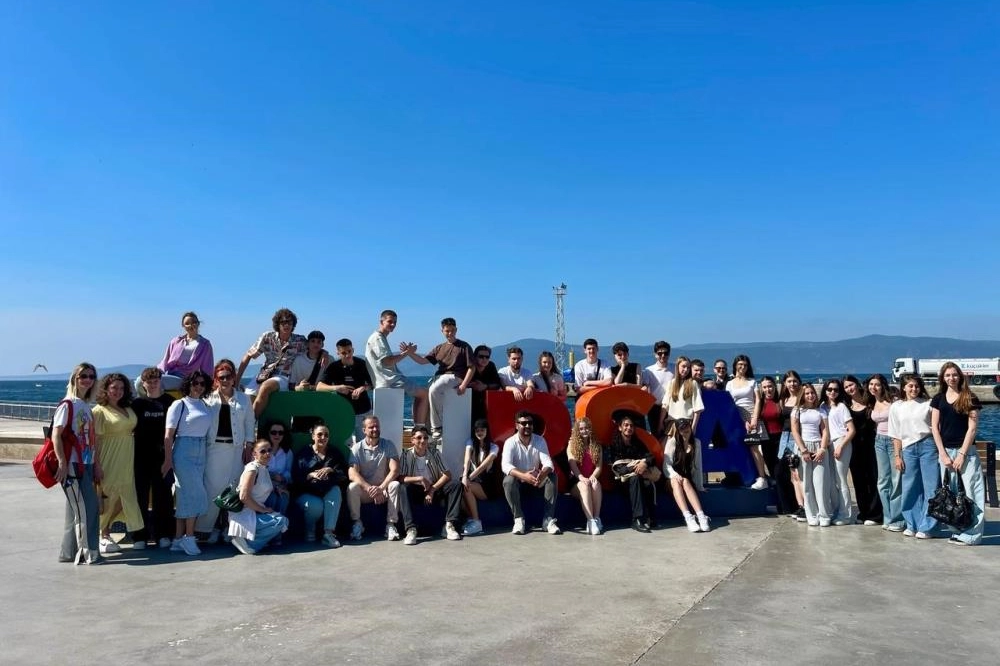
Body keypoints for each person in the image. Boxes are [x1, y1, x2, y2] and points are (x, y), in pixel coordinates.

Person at [197, 360, 256, 543]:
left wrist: (249, 446)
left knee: (234, 489)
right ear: (216, 379)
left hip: (236, 449)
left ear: (234, 378)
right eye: (221, 377)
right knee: (213, 489)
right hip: (215, 448)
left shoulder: (243, 399)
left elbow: (249, 423)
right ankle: (204, 529)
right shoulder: (207, 399)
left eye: (228, 376)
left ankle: (230, 528)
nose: (225, 380)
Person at [930, 362, 985, 545]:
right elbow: (935, 428)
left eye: (954, 374)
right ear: (943, 378)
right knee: (950, 494)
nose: (951, 378)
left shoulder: (970, 398)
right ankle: (956, 530)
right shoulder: (938, 399)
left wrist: (962, 454)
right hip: (945, 453)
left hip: (966, 453)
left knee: (972, 492)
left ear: (960, 376)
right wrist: (943, 454)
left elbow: (972, 428)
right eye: (947, 375)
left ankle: (973, 535)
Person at [53, 363, 100, 564]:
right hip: (73, 464)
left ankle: (68, 552)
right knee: (87, 509)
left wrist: (96, 464)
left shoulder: (85, 405)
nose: (87, 380)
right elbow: (56, 435)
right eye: (83, 376)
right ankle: (88, 554)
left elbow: (91, 439)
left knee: (75, 510)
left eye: (91, 376)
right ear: (75, 379)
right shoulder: (68, 405)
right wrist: (62, 462)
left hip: (86, 463)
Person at [163, 370, 214, 556]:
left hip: (201, 450)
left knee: (185, 495)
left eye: (202, 383)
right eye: (195, 383)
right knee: (195, 494)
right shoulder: (179, 404)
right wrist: (168, 460)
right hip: (184, 449)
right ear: (188, 384)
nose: (199, 386)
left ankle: (178, 539)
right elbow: (168, 436)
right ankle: (189, 537)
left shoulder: (205, 405)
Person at [93, 373, 144, 553]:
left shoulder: (127, 407)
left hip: (126, 457)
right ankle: (103, 534)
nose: (118, 391)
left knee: (124, 498)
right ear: (106, 389)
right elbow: (94, 441)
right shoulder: (99, 411)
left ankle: (104, 530)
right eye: (114, 387)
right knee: (108, 496)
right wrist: (96, 465)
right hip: (109, 456)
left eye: (121, 388)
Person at [405, 317, 475, 441]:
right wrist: (410, 353)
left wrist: (464, 385)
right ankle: (426, 431)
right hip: (439, 377)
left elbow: (471, 368)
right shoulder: (439, 348)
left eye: (452, 330)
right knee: (425, 395)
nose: (450, 333)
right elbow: (422, 361)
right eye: (447, 331)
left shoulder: (464, 346)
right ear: (442, 331)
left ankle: (437, 427)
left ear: (456, 330)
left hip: (455, 376)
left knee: (434, 390)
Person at [235, 308, 311, 417]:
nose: (286, 325)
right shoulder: (267, 337)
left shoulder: (300, 341)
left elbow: (314, 349)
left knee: (265, 387)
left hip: (284, 376)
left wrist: (324, 354)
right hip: (264, 374)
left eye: (289, 322)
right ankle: (251, 422)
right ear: (278, 324)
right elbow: (248, 355)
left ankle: (251, 423)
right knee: (247, 396)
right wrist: (236, 381)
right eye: (283, 322)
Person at [131, 367, 176, 548]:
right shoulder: (137, 404)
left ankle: (163, 534)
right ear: (143, 384)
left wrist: (169, 459)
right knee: (140, 496)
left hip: (163, 456)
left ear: (160, 381)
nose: (152, 384)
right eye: (149, 381)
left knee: (163, 496)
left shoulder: (170, 402)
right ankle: (139, 536)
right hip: (140, 457)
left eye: (155, 380)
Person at [398, 426, 464, 545]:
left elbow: (447, 474)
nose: (423, 441)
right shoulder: (406, 454)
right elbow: (401, 478)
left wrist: (432, 490)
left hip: (434, 488)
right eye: (419, 438)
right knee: (403, 487)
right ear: (412, 440)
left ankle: (449, 525)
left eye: (425, 438)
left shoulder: (435, 452)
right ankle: (411, 529)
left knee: (456, 485)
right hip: (416, 489)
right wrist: (419, 478)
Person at [889, 374, 936, 539]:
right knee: (909, 487)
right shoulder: (896, 407)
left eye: (916, 386)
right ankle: (912, 524)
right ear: (903, 387)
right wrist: (897, 456)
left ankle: (927, 526)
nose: (914, 389)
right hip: (908, 448)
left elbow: (936, 427)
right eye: (910, 386)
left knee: (930, 487)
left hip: (928, 445)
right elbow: (895, 434)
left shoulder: (928, 404)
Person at [365, 309, 430, 427]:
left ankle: (418, 427)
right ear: (381, 322)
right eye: (390, 321)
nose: (393, 324)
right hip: (391, 380)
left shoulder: (380, 338)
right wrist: (407, 353)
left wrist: (406, 352)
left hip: (386, 380)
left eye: (395, 322)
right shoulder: (378, 338)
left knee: (420, 395)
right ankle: (419, 428)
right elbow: (387, 362)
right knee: (424, 394)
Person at [501, 410, 561, 535]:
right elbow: (505, 466)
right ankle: (518, 520)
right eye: (524, 423)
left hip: (536, 481)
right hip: (519, 483)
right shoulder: (510, 442)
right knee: (508, 480)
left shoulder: (540, 441)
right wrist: (524, 476)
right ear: (516, 425)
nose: (527, 426)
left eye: (530, 423)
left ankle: (548, 520)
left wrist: (541, 475)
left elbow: (548, 463)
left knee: (552, 477)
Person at [228, 439, 289, 555]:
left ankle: (250, 538)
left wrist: (276, 487)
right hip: (244, 514)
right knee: (281, 521)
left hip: (254, 512)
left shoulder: (263, 468)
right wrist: (263, 510)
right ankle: (249, 544)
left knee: (280, 504)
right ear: (254, 454)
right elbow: (244, 496)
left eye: (269, 450)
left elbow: (261, 485)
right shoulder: (252, 469)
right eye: (263, 451)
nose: (267, 453)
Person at [293, 422, 348, 547]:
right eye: (319, 434)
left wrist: (331, 469)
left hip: (327, 489)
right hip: (307, 493)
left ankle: (328, 534)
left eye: (326, 435)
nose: (323, 437)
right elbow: (296, 478)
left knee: (335, 491)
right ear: (313, 436)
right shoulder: (303, 454)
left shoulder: (334, 453)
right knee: (316, 506)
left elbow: (344, 474)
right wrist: (310, 475)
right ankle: (310, 530)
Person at [347, 416, 402, 541]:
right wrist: (369, 488)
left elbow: (395, 470)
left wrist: (381, 488)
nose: (375, 429)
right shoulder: (357, 448)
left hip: (384, 489)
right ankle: (357, 523)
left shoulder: (388, 445)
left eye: (377, 426)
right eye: (371, 427)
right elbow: (352, 474)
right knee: (352, 487)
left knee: (395, 485)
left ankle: (391, 525)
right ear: (364, 430)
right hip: (366, 491)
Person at [604, 415, 660, 532]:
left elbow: (651, 457)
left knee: (647, 484)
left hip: (637, 480)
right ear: (620, 427)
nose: (629, 428)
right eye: (626, 425)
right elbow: (617, 468)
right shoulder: (613, 446)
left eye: (631, 426)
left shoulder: (637, 443)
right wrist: (635, 466)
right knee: (635, 478)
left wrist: (644, 463)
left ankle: (651, 517)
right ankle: (637, 520)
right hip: (620, 482)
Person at [317, 338, 374, 443]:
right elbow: (319, 387)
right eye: (343, 353)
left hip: (363, 410)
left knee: (365, 443)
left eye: (349, 351)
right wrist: (337, 388)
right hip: (343, 411)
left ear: (353, 350)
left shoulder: (362, 364)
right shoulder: (334, 367)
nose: (347, 355)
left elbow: (372, 384)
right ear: (338, 353)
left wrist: (362, 388)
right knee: (344, 443)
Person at [791, 384, 832, 527]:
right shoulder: (797, 411)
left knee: (821, 483)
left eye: (812, 393)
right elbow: (795, 431)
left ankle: (824, 515)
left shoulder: (821, 411)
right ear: (802, 395)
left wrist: (822, 448)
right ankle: (812, 515)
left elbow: (825, 431)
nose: (810, 395)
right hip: (804, 447)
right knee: (806, 484)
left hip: (818, 446)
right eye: (807, 393)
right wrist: (803, 450)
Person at [725, 355, 768, 490]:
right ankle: (744, 476)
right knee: (738, 448)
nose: (742, 367)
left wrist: (754, 418)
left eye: (745, 365)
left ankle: (762, 478)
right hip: (736, 418)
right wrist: (740, 420)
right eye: (740, 364)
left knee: (754, 447)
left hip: (751, 416)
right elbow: (729, 403)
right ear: (735, 366)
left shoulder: (752, 382)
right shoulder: (730, 384)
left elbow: (758, 400)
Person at [867, 374, 903, 531]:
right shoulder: (871, 402)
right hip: (879, 441)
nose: (873, 387)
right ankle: (887, 517)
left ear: (883, 386)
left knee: (896, 480)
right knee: (882, 481)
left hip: (894, 441)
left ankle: (898, 519)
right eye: (871, 384)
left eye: (877, 384)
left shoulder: (893, 401)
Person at [844, 375, 881, 526]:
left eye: (851, 385)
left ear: (857, 384)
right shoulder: (846, 406)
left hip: (871, 446)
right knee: (858, 481)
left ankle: (876, 514)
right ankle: (863, 511)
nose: (849, 389)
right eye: (846, 387)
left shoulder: (870, 401)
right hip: (854, 448)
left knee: (873, 479)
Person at [147, 311, 215, 393]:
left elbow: (207, 368)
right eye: (187, 323)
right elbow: (165, 360)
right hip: (169, 373)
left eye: (194, 322)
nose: (191, 325)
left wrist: (207, 385)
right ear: (183, 325)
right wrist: (155, 372)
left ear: (198, 324)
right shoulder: (176, 341)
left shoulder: (205, 344)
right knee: (141, 381)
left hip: (184, 378)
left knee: (157, 382)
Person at [664, 418, 711, 533]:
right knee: (676, 481)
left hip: (687, 480)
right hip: (671, 478)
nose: (685, 430)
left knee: (685, 481)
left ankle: (701, 516)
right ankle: (688, 518)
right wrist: (675, 475)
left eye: (686, 427)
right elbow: (666, 465)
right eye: (682, 429)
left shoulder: (696, 443)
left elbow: (698, 466)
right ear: (678, 431)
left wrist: (700, 486)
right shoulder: (672, 442)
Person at [820, 378, 856, 525]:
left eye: (835, 389)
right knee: (832, 481)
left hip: (841, 442)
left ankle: (845, 515)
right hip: (828, 444)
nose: (832, 392)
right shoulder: (822, 407)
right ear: (825, 390)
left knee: (841, 480)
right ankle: (836, 510)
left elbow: (852, 430)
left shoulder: (842, 407)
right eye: (830, 389)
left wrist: (841, 446)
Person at [460, 418, 502, 536]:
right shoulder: (470, 442)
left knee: (467, 486)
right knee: (459, 488)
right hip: (474, 480)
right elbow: (467, 460)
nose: (479, 433)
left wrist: (468, 478)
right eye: (477, 430)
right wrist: (464, 476)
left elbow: (482, 467)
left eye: (482, 430)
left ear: (487, 431)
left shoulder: (494, 447)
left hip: (487, 486)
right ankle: (470, 518)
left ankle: (477, 522)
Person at [776, 371, 807, 520]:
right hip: (785, 437)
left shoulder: (803, 397)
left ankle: (805, 506)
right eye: (789, 381)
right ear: (785, 383)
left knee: (798, 474)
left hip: (798, 437)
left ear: (799, 382)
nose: (792, 384)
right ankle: (794, 506)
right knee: (785, 473)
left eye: (794, 381)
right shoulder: (784, 399)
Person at [567, 417, 604, 535]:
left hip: (590, 478)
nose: (584, 431)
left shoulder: (597, 446)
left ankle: (597, 518)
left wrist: (593, 476)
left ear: (590, 429)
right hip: (577, 481)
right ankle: (590, 521)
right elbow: (572, 465)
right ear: (578, 430)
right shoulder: (571, 445)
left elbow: (599, 467)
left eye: (587, 428)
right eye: (581, 429)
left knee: (596, 485)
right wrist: (581, 478)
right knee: (584, 486)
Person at [662, 356, 704, 433]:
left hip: (686, 423)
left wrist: (693, 428)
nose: (686, 370)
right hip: (672, 423)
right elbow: (665, 406)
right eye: (683, 366)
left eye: (688, 368)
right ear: (677, 366)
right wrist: (660, 424)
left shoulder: (693, 384)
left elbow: (697, 409)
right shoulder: (671, 383)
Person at [261, 419, 293, 515]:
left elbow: (289, 471)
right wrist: (271, 477)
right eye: (273, 432)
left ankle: (280, 523)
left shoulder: (287, 452)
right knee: (272, 498)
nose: (277, 435)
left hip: (281, 485)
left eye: (280, 433)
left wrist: (282, 478)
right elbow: (257, 469)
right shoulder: (262, 450)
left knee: (283, 498)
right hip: (264, 485)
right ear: (268, 433)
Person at [643, 341, 674, 438]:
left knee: (671, 436)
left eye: (665, 353)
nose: (663, 355)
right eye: (660, 353)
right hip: (654, 408)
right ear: (655, 354)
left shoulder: (675, 368)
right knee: (656, 436)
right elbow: (644, 387)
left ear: (669, 354)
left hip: (671, 408)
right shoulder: (648, 370)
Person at [469, 345, 503, 425]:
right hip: (469, 403)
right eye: (481, 356)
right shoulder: (469, 367)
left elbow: (497, 384)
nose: (484, 359)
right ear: (475, 357)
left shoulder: (491, 366)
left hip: (486, 404)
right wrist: (471, 385)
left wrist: (485, 386)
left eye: (487, 357)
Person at [757, 376, 783, 480]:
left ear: (775, 386)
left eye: (770, 386)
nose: (768, 389)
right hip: (765, 439)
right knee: (771, 468)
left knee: (780, 469)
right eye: (765, 387)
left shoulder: (780, 401)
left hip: (780, 438)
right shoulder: (759, 403)